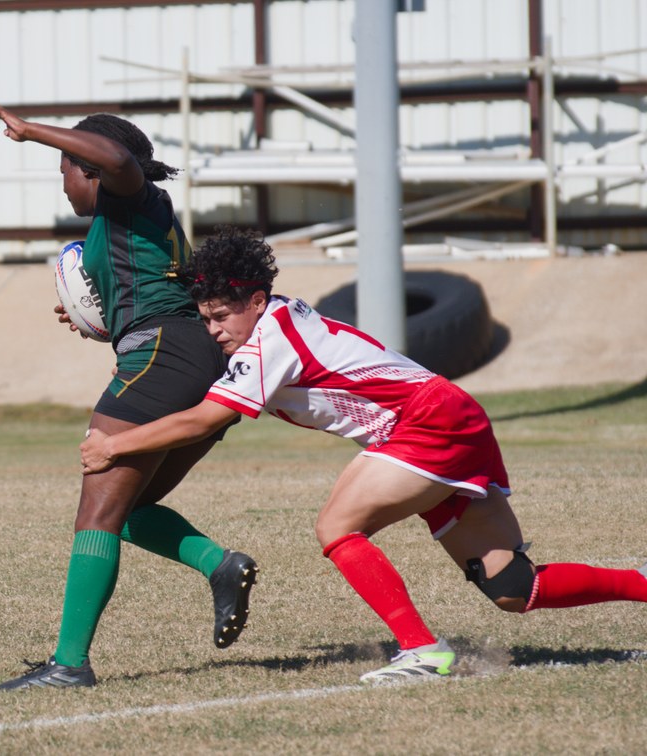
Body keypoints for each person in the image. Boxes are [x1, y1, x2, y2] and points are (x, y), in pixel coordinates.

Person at [80, 225, 647, 683]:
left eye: (221, 317)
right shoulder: (273, 319)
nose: (213, 330)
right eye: (205, 319)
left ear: (255, 300)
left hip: (429, 420)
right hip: (446, 417)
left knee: (336, 526)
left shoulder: (271, 336)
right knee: (513, 588)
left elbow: (206, 416)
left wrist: (115, 443)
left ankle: (423, 650)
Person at [0, 101, 258, 690]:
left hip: (163, 356)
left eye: (66, 169)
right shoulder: (129, 223)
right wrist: (94, 316)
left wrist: (30, 132)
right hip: (188, 358)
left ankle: (69, 663)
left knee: (96, 512)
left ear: (88, 167)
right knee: (126, 511)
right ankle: (219, 564)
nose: (65, 183)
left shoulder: (130, 196)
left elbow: (120, 158)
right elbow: (140, 293)